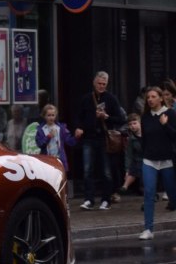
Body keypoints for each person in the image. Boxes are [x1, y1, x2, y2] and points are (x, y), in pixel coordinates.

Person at [74, 70, 125, 211]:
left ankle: (105, 199)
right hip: (89, 138)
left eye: (104, 84)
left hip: (104, 138)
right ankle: (89, 199)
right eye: (99, 83)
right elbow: (78, 116)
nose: (101, 86)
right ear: (94, 83)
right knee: (87, 170)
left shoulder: (111, 99)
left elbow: (121, 119)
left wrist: (107, 117)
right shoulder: (86, 99)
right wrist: (78, 127)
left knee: (106, 171)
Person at [138, 87, 176, 240]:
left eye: (153, 97)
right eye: (148, 97)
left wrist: (165, 125)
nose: (150, 100)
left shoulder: (171, 114)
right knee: (149, 193)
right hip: (149, 160)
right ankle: (148, 229)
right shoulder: (146, 117)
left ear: (161, 98)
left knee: (172, 195)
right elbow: (144, 140)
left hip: (167, 160)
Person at [34, 103, 76, 172]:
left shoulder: (61, 128)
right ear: (44, 116)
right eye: (49, 115)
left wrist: (76, 137)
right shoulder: (41, 129)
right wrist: (48, 136)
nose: (51, 117)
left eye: (53, 115)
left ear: (55, 116)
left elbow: (69, 141)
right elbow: (40, 144)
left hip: (59, 159)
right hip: (46, 159)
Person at [121, 112, 143, 196]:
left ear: (140, 123)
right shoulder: (131, 139)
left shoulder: (147, 134)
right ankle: (124, 187)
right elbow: (128, 154)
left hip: (149, 159)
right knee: (135, 166)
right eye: (130, 124)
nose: (132, 126)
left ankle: (125, 186)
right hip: (138, 160)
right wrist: (127, 170)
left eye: (134, 123)